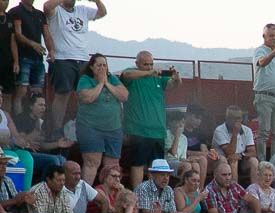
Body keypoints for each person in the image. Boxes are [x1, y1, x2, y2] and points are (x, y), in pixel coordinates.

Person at [120, 50, 181, 188]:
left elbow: (173, 84)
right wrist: (149, 73)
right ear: (137, 63)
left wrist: (177, 79)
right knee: (138, 164)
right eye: (145, 64)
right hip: (138, 129)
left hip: (158, 131)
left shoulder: (158, 77)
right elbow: (125, 75)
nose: (149, 67)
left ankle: (154, 198)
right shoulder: (132, 74)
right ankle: (137, 197)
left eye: (151, 64)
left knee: (157, 167)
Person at [45, 0, 106, 135]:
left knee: (85, 94)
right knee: (63, 94)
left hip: (83, 59)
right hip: (62, 58)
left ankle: (86, 126)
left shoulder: (82, 10)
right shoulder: (57, 10)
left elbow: (102, 13)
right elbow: (47, 7)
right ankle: (57, 129)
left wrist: (96, 1)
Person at [73, 52, 127, 185]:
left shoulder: (112, 79)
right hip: (90, 127)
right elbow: (88, 97)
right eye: (99, 65)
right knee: (92, 162)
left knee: (113, 165)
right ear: (91, 67)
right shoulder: (85, 79)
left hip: (113, 128)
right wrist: (100, 84)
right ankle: (84, 198)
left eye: (104, 65)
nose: (102, 68)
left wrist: (107, 83)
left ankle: (110, 196)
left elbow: (124, 95)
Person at [252, 23, 275, 159]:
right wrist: (274, 52)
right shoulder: (260, 50)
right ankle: (262, 162)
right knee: (264, 132)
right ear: (264, 36)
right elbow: (262, 62)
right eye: (271, 36)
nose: (274, 38)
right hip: (264, 96)